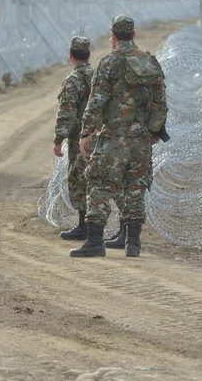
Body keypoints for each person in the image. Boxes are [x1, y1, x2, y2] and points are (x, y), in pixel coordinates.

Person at [71, 14, 168, 258]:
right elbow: (160, 102)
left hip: (114, 137)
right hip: (140, 139)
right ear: (133, 34)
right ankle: (133, 243)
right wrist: (155, 129)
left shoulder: (109, 62)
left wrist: (86, 131)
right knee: (135, 189)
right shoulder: (149, 62)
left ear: (113, 36)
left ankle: (94, 241)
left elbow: (97, 100)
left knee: (100, 184)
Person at [52, 36, 94, 240]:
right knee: (95, 179)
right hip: (98, 136)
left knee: (78, 178)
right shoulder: (98, 77)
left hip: (79, 139)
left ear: (70, 56)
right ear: (88, 55)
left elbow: (67, 113)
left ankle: (84, 225)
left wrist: (58, 140)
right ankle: (95, 225)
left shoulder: (73, 80)